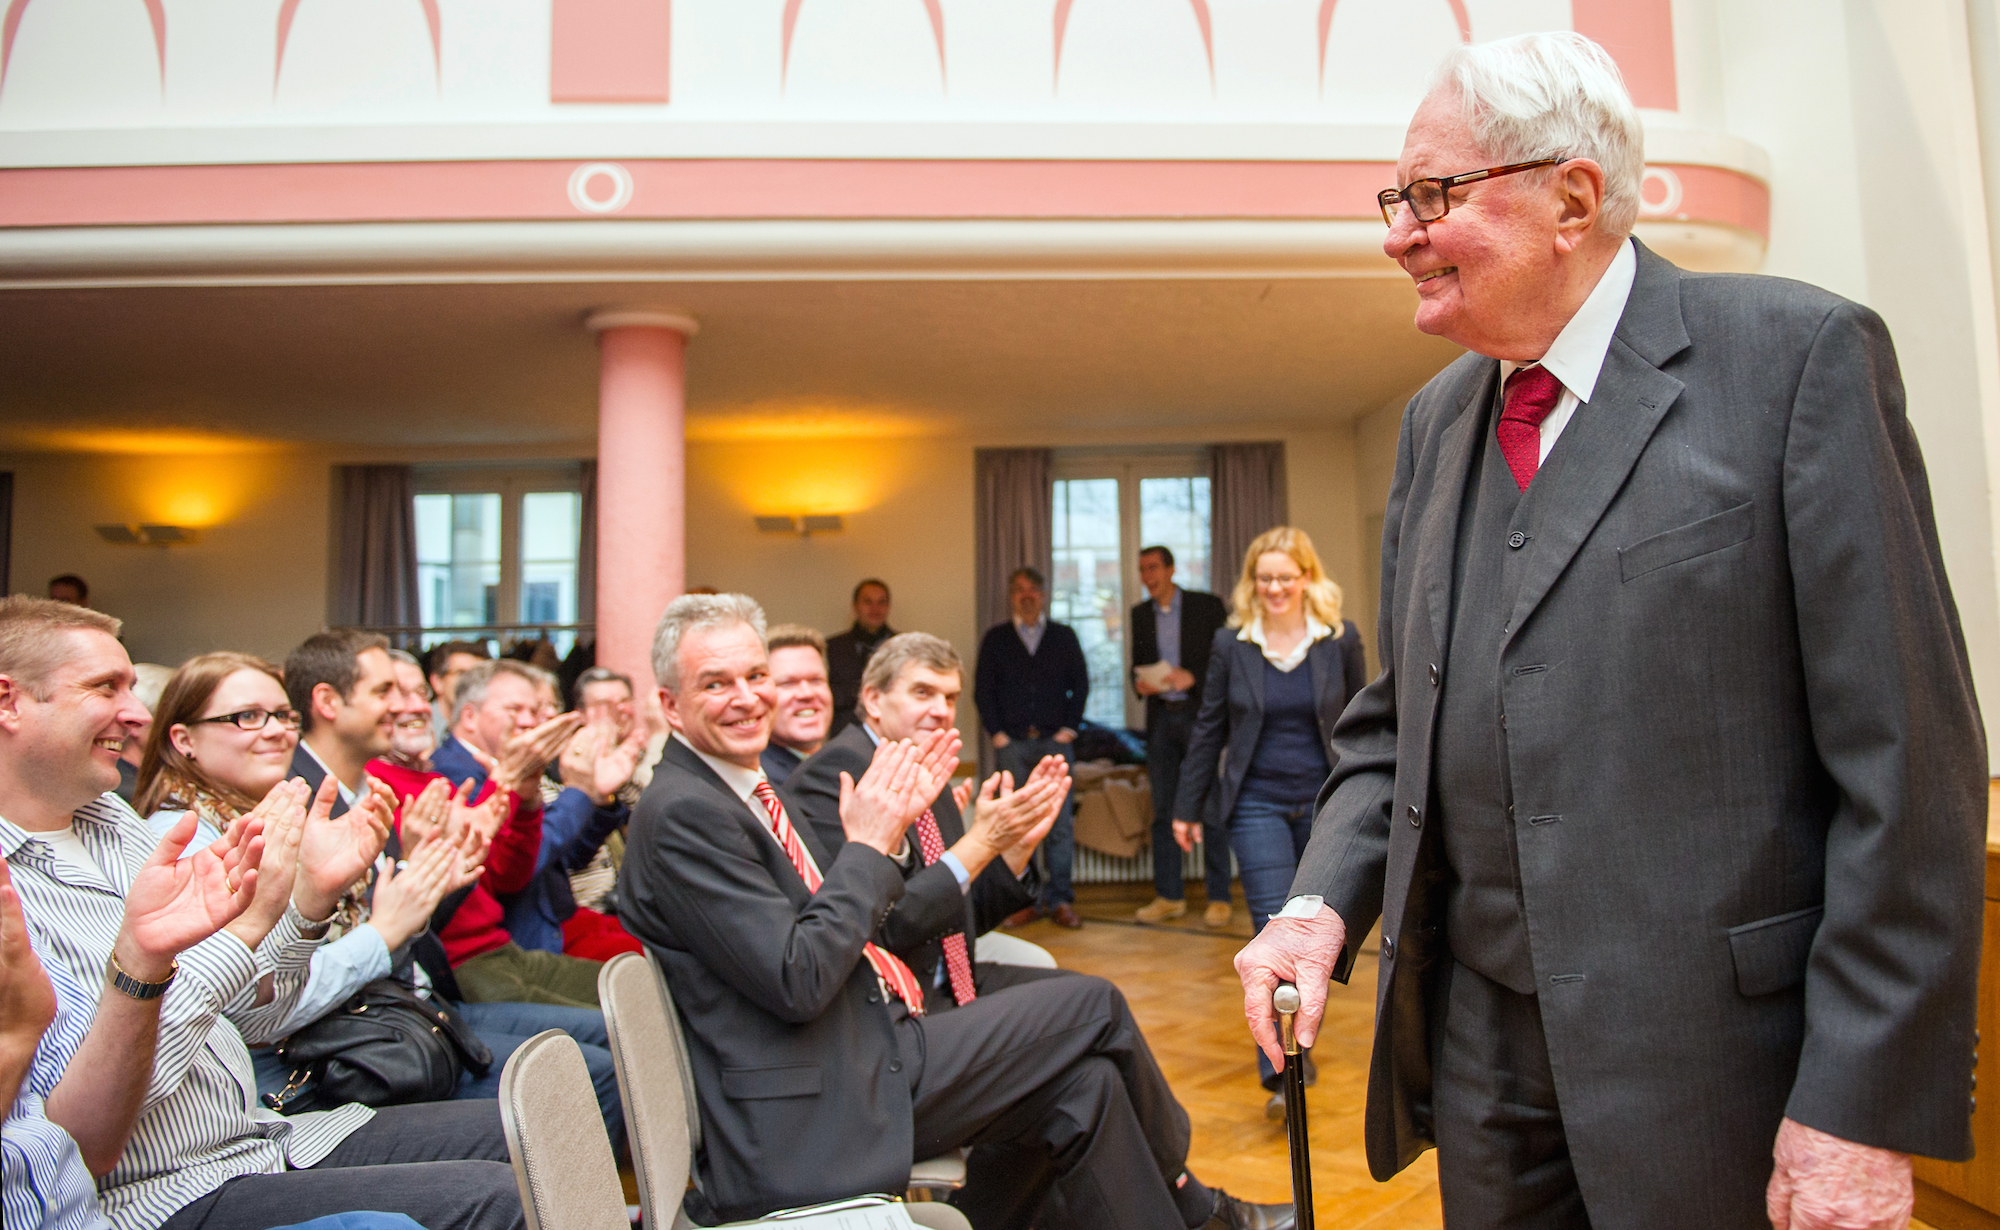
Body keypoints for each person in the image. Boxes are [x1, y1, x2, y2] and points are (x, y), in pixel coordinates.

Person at [1232, 32, 1988, 1230]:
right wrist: (1318, 901)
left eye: (1430, 195)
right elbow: (1394, 731)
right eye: (1397, 198)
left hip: (1719, 1070)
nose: (1395, 232)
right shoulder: (1436, 427)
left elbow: (1910, 769)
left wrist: (1858, 1103)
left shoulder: (1792, 362)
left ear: (1569, 198)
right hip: (1480, 1058)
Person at [617, 594, 1291, 1230]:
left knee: (1087, 1088)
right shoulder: (685, 812)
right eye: (716, 683)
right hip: (816, 1099)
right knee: (1097, 1006)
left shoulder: (744, 789)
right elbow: (801, 976)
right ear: (671, 706)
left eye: (756, 674)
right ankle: (1198, 1208)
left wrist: (1007, 850)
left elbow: (875, 926)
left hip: (859, 1042)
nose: (748, 697)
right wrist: (873, 845)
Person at [0, 597, 523, 1230]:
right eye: (104, 687)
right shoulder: (49, 877)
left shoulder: (115, 828)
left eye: (280, 713)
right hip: (160, 1190)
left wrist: (307, 904)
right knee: (498, 1192)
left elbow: (253, 1016)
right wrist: (249, 931)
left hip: (257, 1138)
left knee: (539, 1121)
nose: (135, 714)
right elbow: (90, 1136)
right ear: (9, 702)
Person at [1172, 528, 1363, 1118]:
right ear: (1252, 582)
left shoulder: (1339, 639)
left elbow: (1366, 723)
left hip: (1324, 805)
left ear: (1307, 577)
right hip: (1253, 801)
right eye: (1265, 577)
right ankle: (1279, 1074)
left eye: (1286, 575)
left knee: (1315, 933)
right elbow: (1209, 727)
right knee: (1269, 927)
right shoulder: (1234, 643)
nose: (1275, 587)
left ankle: (1300, 1047)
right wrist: (1186, 804)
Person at [783, 631, 1062, 1013]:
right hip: (896, 1004)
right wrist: (981, 842)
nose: (941, 710)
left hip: (954, 979)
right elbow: (886, 929)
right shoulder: (842, 770)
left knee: (1091, 1016)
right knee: (1095, 1007)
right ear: (874, 699)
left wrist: (1014, 848)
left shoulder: (926, 763)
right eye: (922, 693)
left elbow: (961, 912)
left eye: (950, 697)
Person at [431, 660, 609, 1005]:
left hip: (534, 931)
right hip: (511, 940)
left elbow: (569, 854)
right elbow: (513, 869)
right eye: (515, 709)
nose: (528, 721)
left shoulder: (514, 765)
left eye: (534, 710)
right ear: (469, 717)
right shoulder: (453, 774)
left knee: (645, 981)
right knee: (625, 1015)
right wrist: (579, 794)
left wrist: (602, 799)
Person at [973, 567, 1088, 929]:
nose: (1026, 595)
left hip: (1056, 745)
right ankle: (1025, 902)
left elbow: (1081, 684)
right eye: (1019, 589)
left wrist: (1069, 729)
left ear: (1043, 594)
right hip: (1013, 746)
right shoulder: (996, 638)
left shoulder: (1063, 636)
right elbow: (982, 690)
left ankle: (1060, 901)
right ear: (1011, 596)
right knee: (1018, 825)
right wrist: (997, 734)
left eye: (1032, 589)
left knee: (1059, 826)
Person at [1127, 546, 1233, 929]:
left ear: (1171, 569)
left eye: (1154, 568)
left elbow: (1226, 661)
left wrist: (1194, 677)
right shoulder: (1140, 614)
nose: (1148, 576)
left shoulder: (1206, 606)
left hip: (1199, 718)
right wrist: (1140, 683)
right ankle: (1169, 896)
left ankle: (1219, 897)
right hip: (1160, 721)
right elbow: (1134, 666)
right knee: (1164, 810)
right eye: (1142, 570)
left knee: (1209, 807)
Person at [761, 624, 833, 786]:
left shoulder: (842, 764)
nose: (806, 693)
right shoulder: (765, 784)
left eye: (816, 680)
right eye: (788, 683)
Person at [823, 579, 895, 738]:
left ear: (888, 606)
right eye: (868, 602)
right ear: (855, 606)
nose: (875, 608)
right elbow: (826, 693)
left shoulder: (903, 645)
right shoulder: (832, 646)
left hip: (892, 733)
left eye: (881, 602)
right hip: (844, 736)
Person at [425, 641, 489, 740]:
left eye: (479, 675)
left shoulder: (488, 727)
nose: (470, 681)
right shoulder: (422, 725)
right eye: (461, 673)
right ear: (438, 682)